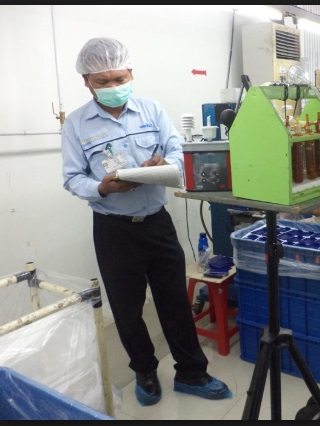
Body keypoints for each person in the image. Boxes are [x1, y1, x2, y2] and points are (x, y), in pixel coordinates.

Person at [61, 37, 231, 407]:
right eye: (102, 81)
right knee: (127, 309)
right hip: (114, 229)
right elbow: (72, 178)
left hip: (157, 223)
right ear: (86, 82)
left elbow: (176, 150)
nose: (112, 86)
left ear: (131, 74)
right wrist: (102, 188)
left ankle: (191, 373)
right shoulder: (76, 124)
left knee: (174, 300)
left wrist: (165, 163)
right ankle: (145, 372)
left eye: (119, 79)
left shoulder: (151, 110)